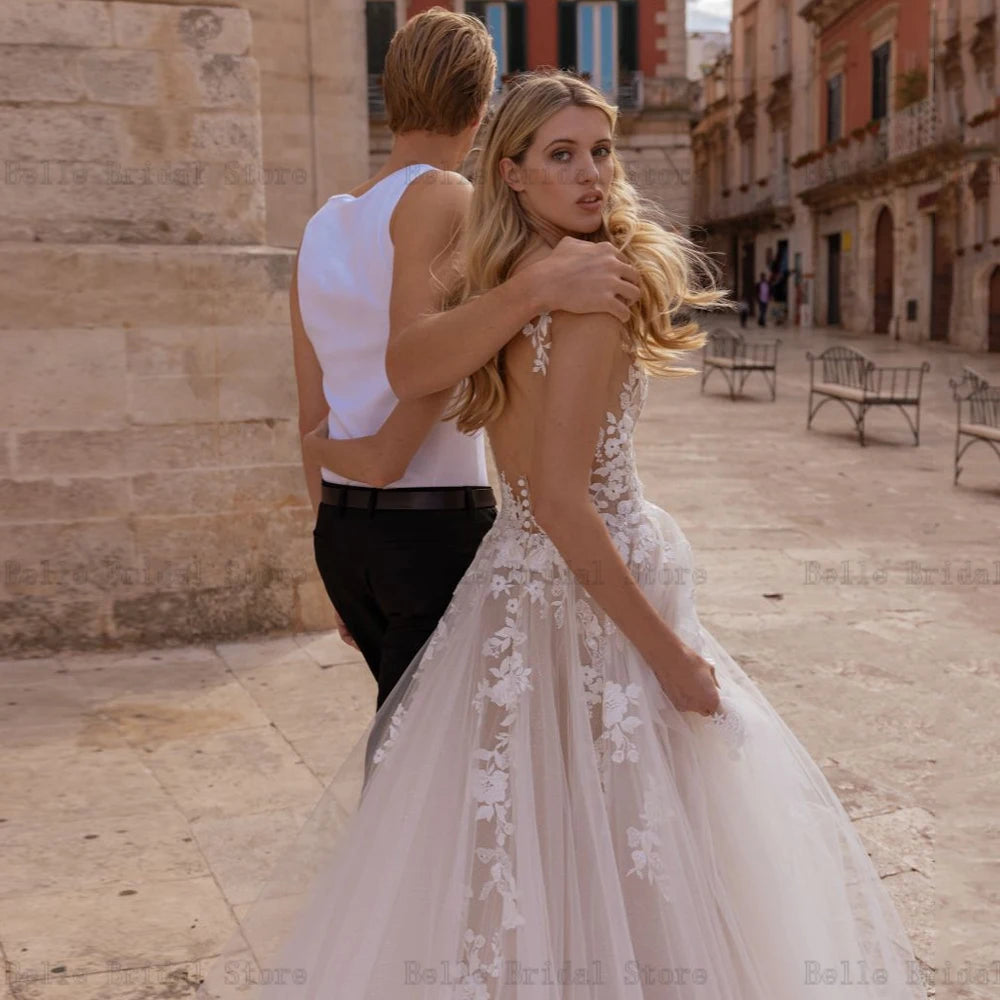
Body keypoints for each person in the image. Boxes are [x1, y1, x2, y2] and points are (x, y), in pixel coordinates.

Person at [196, 71, 928, 1000]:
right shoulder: (577, 294)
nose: (591, 175)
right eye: (561, 156)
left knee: (531, 834)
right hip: (593, 590)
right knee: (626, 833)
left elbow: (416, 371)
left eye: (601, 151)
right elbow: (561, 500)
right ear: (510, 174)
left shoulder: (501, 284)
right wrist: (672, 660)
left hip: (513, 589)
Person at [291, 9, 640, 716]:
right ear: (483, 109)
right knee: (431, 773)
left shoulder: (323, 222)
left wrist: (336, 551)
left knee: (411, 755)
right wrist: (538, 284)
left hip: (343, 531)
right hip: (433, 525)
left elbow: (313, 409)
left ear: (389, 94)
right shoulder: (448, 196)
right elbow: (432, 363)